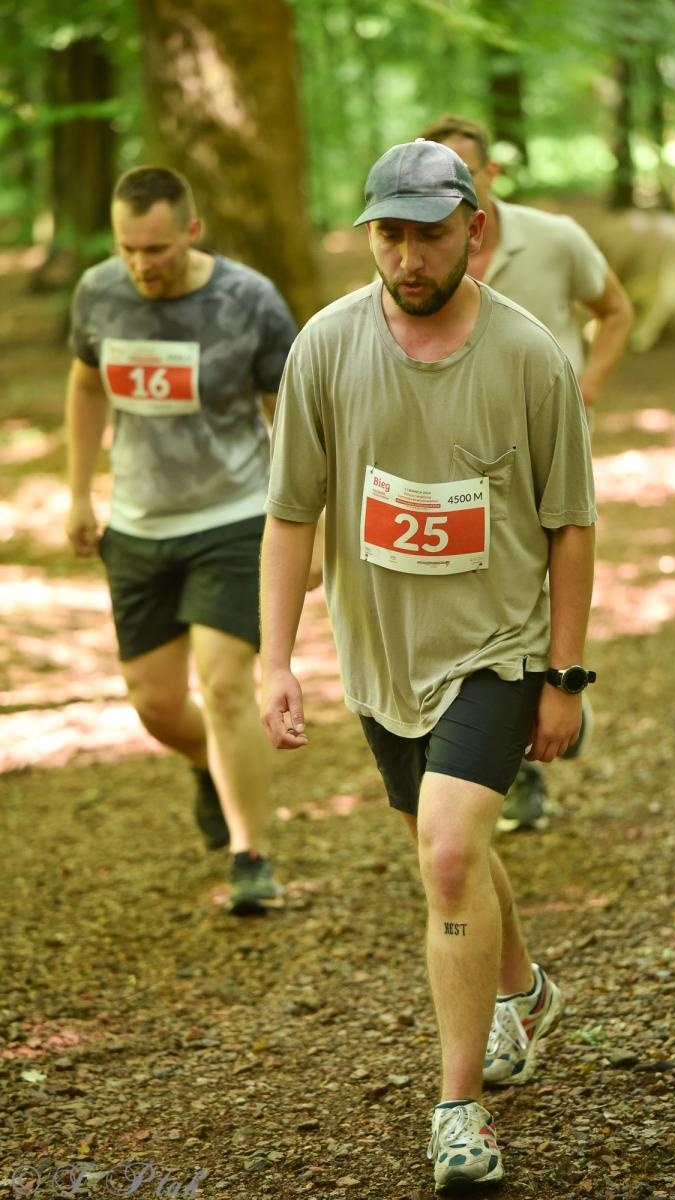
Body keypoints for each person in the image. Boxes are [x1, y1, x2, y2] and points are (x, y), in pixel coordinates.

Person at [260, 140, 596, 1189]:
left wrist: (565, 675)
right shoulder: (325, 346)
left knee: (447, 857)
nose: (407, 257)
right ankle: (525, 988)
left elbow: (571, 525)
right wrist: (277, 659)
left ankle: (460, 1111)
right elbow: (290, 514)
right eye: (388, 234)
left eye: (428, 233)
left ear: (474, 232)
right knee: (443, 841)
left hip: (492, 648)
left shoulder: (531, 356)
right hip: (380, 653)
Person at [65, 165, 296, 916]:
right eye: (129, 248)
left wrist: (305, 520)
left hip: (232, 517)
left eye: (156, 249)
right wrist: (77, 492)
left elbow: (290, 408)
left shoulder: (247, 300)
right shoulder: (98, 291)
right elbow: (86, 382)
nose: (141, 265)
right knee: (155, 705)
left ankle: (250, 853)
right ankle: (216, 767)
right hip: (136, 524)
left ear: (190, 231)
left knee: (226, 685)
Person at [419, 113, 632, 832]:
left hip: (552, 455)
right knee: (492, 594)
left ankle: (556, 689)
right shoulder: (420, 252)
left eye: (464, 172)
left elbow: (615, 311)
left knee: (544, 579)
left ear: (490, 177)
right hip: (461, 465)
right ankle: (517, 757)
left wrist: (588, 384)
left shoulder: (555, 238)